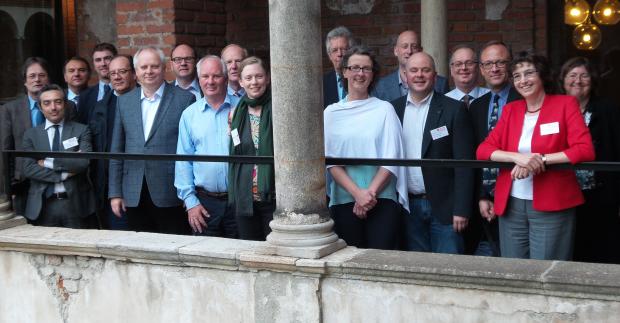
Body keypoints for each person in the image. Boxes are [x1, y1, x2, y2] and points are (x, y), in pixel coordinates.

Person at [476, 52, 595, 261]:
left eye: (529, 73)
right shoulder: (511, 109)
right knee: (515, 270)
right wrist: (517, 157)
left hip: (552, 201)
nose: (523, 80)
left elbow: (584, 149)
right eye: (517, 75)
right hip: (511, 204)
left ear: (542, 76)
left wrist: (539, 160)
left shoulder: (564, 104)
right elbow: (483, 150)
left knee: (546, 272)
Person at [324, 46, 408, 250]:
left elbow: (392, 156)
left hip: (381, 199)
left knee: (380, 262)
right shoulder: (331, 113)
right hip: (344, 199)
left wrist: (368, 194)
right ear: (344, 72)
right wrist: (357, 194)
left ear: (373, 75)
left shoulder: (384, 110)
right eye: (354, 68)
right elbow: (331, 162)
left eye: (366, 69)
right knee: (348, 263)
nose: (360, 74)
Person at [391, 52, 475, 254]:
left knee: (449, 268)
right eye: (414, 70)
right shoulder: (393, 109)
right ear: (405, 75)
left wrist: (462, 209)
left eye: (425, 70)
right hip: (407, 206)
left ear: (435, 76)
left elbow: (465, 163)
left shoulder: (454, 109)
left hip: (445, 209)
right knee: (416, 271)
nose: (419, 75)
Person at [108, 47, 196, 235]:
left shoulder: (185, 99)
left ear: (164, 68)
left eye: (154, 66)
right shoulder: (124, 102)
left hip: (170, 191)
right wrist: (115, 193)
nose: (149, 71)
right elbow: (117, 150)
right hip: (133, 192)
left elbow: (190, 150)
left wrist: (190, 194)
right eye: (144, 67)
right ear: (136, 72)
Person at [559, 56, 620, 264]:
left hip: (601, 192)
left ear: (592, 80)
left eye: (584, 75)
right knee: (570, 248)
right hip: (565, 191)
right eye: (572, 75)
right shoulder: (555, 108)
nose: (578, 80)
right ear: (563, 80)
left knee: (602, 248)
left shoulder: (607, 108)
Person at [1, 57, 75, 216]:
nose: (37, 80)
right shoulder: (10, 110)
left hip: (59, 180)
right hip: (23, 184)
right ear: (25, 81)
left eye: (42, 75)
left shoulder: (68, 106)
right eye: (32, 76)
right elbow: (6, 151)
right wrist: (9, 188)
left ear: (48, 78)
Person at [175, 55, 239, 237]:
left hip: (239, 200)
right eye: (205, 76)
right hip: (203, 203)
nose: (210, 81)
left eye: (216, 76)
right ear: (198, 79)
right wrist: (190, 202)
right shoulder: (189, 115)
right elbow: (183, 161)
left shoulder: (242, 109)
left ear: (225, 79)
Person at [468, 40, 521, 256]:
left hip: (520, 192)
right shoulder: (477, 106)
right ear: (481, 69)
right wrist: (483, 195)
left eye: (500, 62)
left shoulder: (524, 99)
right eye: (488, 64)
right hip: (488, 197)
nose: (494, 68)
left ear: (510, 65)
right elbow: (476, 155)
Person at [21, 84, 95, 228]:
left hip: (75, 204)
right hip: (42, 206)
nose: (53, 107)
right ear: (41, 107)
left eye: (58, 102)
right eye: (47, 103)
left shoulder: (81, 130)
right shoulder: (31, 135)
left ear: (65, 104)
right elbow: (28, 168)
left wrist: (48, 162)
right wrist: (62, 175)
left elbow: (83, 162)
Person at [228, 56, 275, 241]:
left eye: (259, 76)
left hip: (273, 196)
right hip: (245, 196)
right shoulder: (235, 114)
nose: (254, 82)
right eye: (248, 78)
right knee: (249, 250)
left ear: (268, 78)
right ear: (240, 81)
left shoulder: (278, 108)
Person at [89, 54, 137, 230]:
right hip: (110, 189)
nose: (117, 77)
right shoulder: (100, 106)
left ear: (134, 74)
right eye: (113, 73)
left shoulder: (146, 101)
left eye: (122, 72)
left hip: (141, 185)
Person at [372, 30, 449, 102]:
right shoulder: (380, 86)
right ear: (396, 51)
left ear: (420, 50)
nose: (409, 51)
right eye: (405, 46)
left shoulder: (441, 84)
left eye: (414, 47)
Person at [77, 43, 118, 123]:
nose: (103, 64)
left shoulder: (129, 91)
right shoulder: (84, 96)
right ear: (94, 64)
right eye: (98, 60)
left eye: (107, 58)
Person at [323, 26, 353, 108]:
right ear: (329, 55)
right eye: (335, 50)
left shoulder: (361, 78)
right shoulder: (322, 84)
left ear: (351, 52)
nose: (339, 54)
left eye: (344, 49)